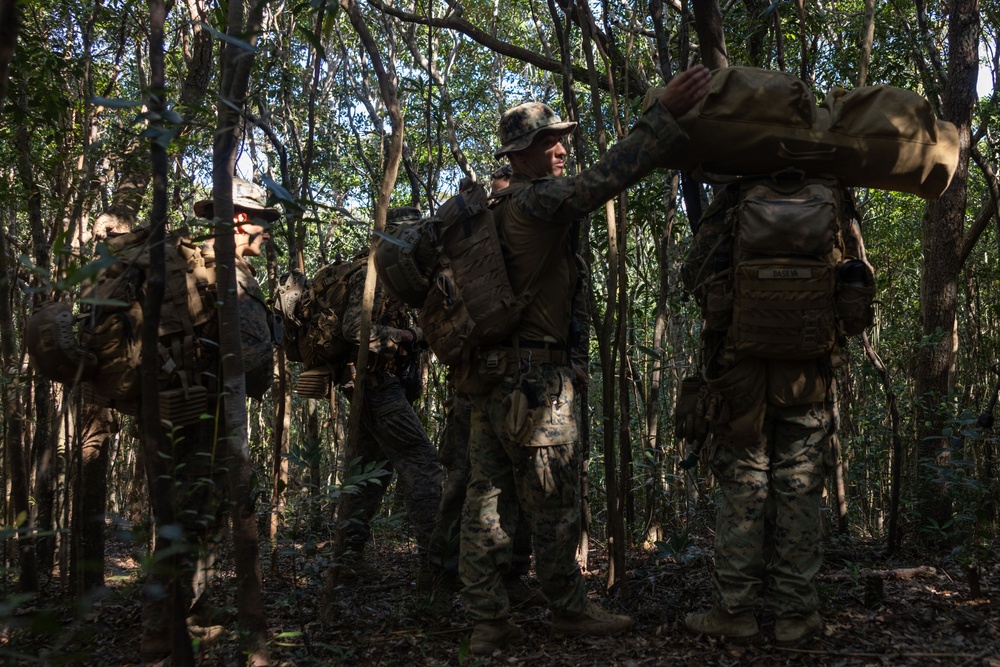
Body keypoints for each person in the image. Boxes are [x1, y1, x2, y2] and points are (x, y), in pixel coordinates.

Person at [458, 64, 711, 655]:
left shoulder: (490, 205)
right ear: (521, 154)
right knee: (553, 503)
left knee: (486, 500)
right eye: (551, 142)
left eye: (562, 139)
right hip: (534, 385)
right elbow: (601, 181)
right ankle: (568, 612)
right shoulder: (537, 202)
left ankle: (486, 619)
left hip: (490, 377)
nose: (563, 150)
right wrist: (662, 116)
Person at [679, 180, 868, 647]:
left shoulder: (735, 193)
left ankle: (736, 611)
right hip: (807, 375)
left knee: (744, 490)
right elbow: (857, 283)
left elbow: (694, 274)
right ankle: (796, 617)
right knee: (800, 492)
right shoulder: (833, 195)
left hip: (740, 376)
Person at [141, 177, 276, 659]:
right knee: (192, 514)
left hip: (180, 407)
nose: (267, 231)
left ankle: (191, 612)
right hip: (203, 415)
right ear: (240, 218)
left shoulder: (191, 265)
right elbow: (254, 354)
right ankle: (161, 629)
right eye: (262, 221)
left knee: (195, 514)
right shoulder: (225, 273)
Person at [332, 206, 445, 586]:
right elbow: (353, 329)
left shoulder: (392, 275)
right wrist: (407, 337)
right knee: (423, 463)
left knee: (369, 474)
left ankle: (347, 559)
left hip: (379, 384)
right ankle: (437, 564)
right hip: (374, 385)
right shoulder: (371, 273)